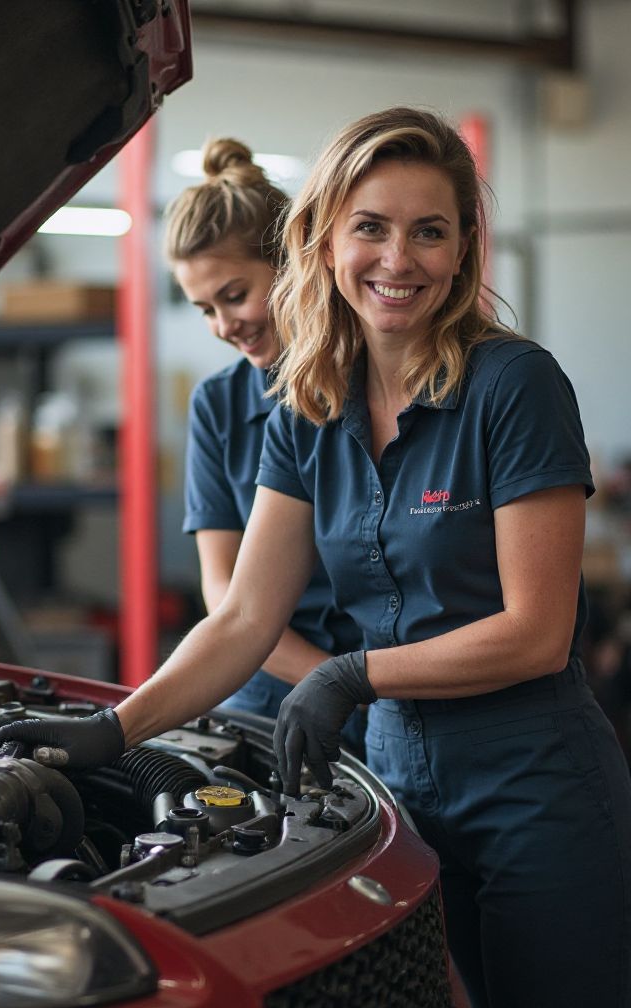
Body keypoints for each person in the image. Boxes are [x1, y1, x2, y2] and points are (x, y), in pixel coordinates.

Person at [0, 106, 631, 1008]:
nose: (397, 258)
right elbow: (245, 617)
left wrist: (350, 671)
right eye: (370, 228)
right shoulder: (307, 406)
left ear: (462, 251)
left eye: (429, 231)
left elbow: (538, 635)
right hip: (395, 784)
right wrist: (115, 729)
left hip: (534, 778)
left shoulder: (514, 386)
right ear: (324, 241)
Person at [163, 137, 364, 749]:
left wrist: (370, 689)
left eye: (234, 295)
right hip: (268, 692)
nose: (225, 326)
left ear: (293, 262)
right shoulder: (218, 404)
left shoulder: (376, 383)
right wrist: (329, 683)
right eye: (204, 309)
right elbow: (224, 591)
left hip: (394, 690)